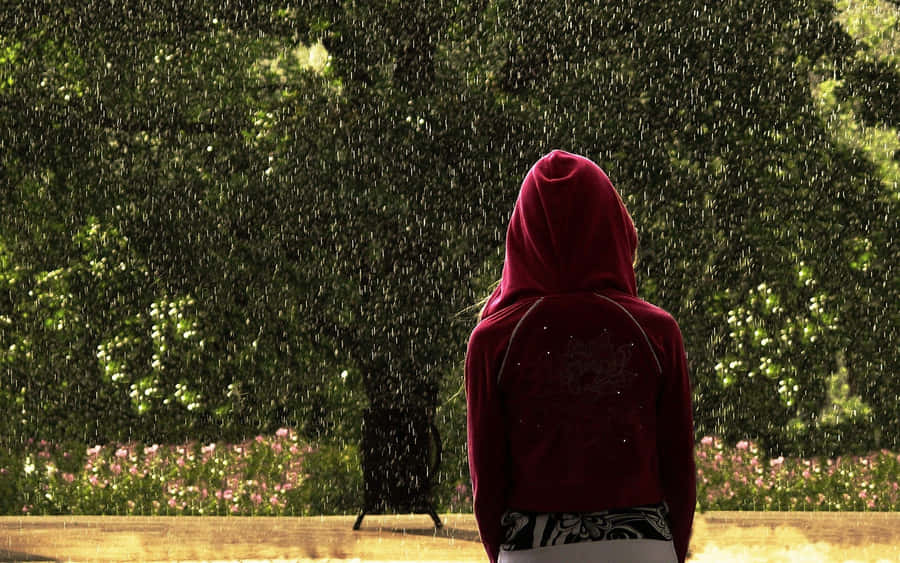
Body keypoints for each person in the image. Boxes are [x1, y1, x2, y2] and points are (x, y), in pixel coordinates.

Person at [465, 150, 695, 563]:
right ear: (612, 225)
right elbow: (679, 471)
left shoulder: (492, 340)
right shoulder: (657, 332)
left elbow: (488, 483)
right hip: (642, 545)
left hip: (532, 548)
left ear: (523, 232)